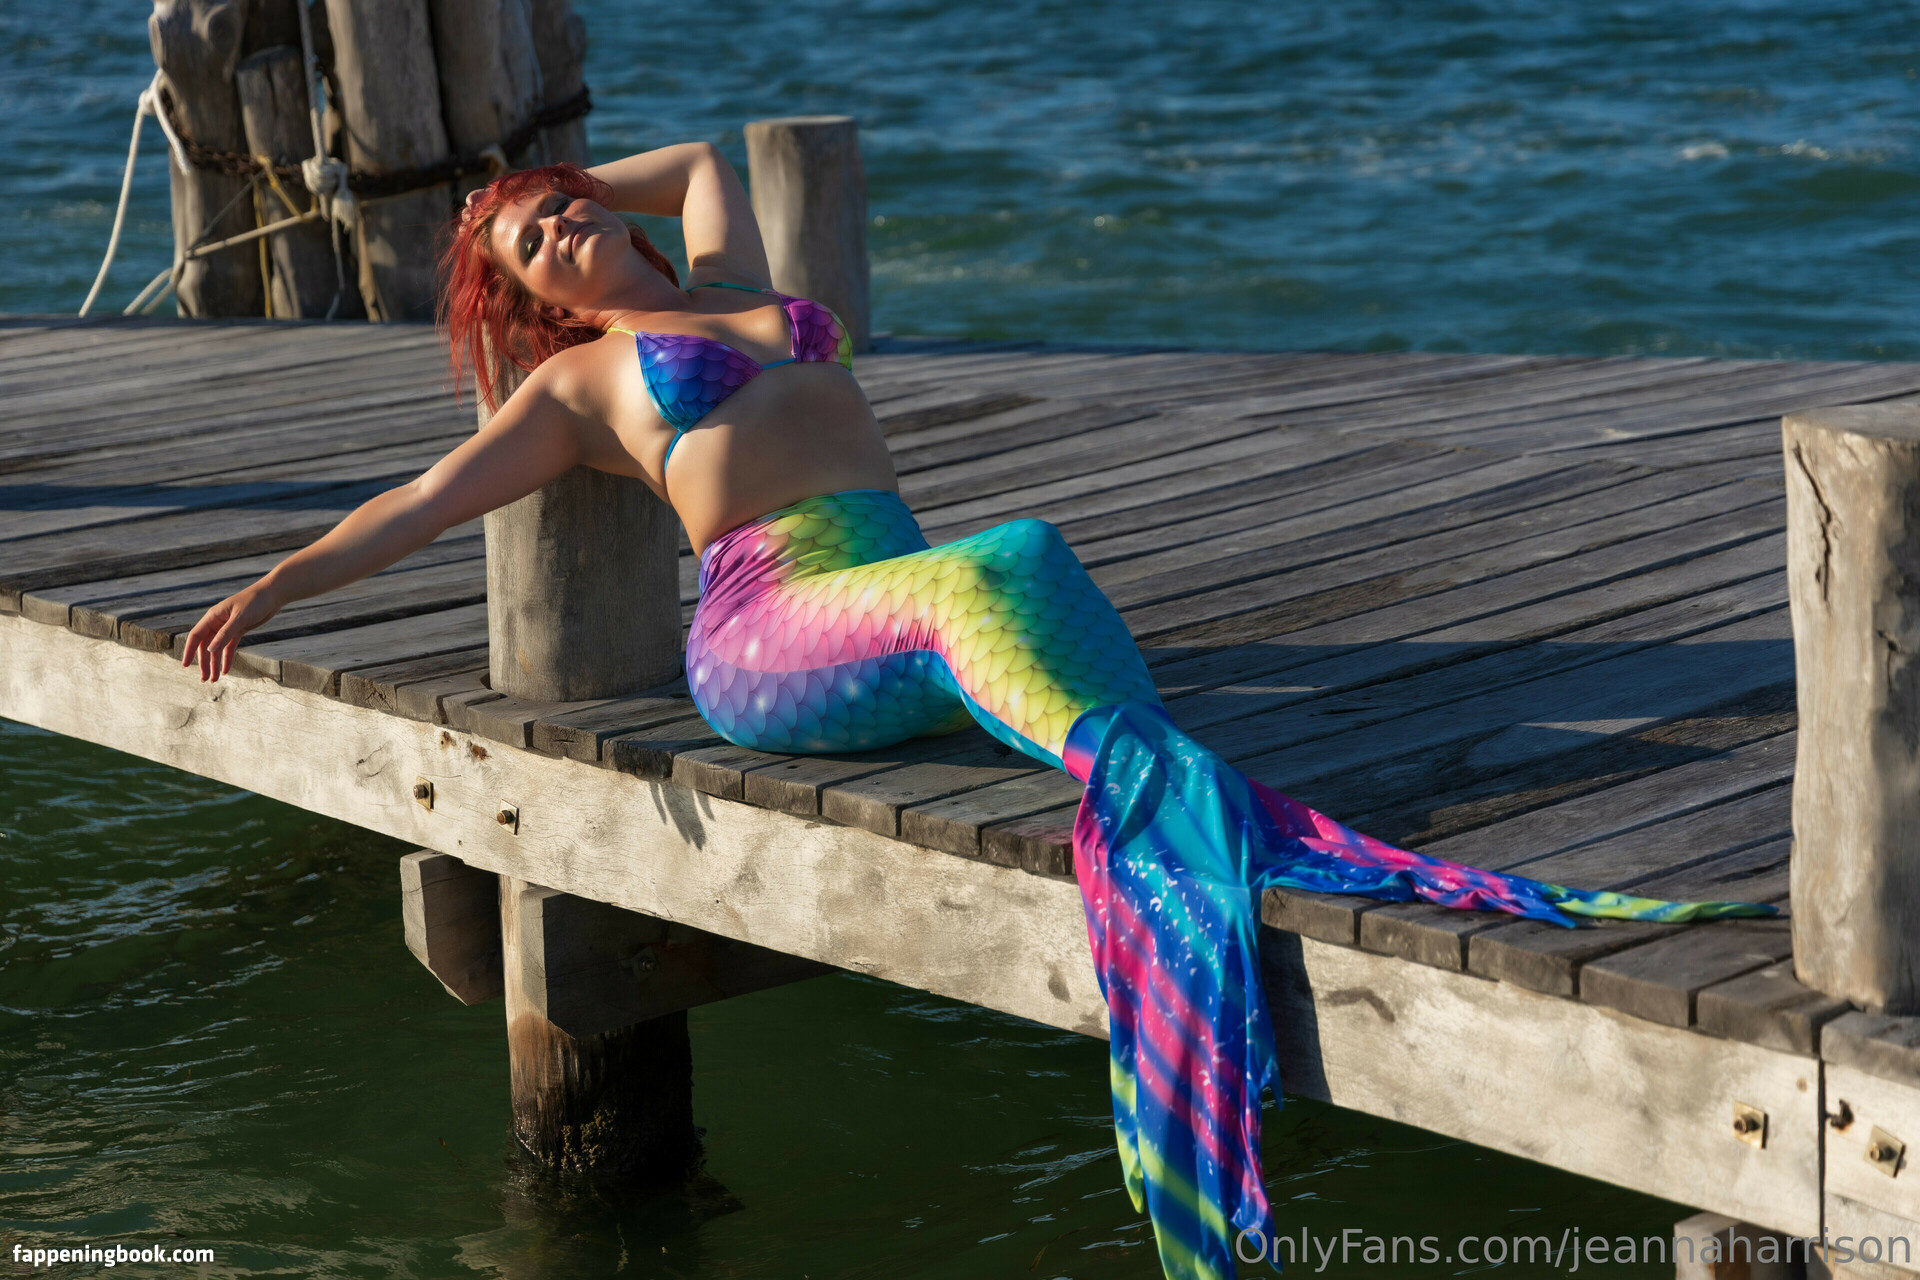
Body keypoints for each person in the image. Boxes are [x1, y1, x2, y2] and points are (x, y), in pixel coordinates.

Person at [180, 145, 1770, 1280]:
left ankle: (1150, 800)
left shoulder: (722, 280)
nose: (566, 233)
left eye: (565, 211)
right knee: (985, 576)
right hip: (769, 632)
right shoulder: (578, 386)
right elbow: (418, 504)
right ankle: (1150, 808)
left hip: (893, 590)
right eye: (535, 248)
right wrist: (275, 588)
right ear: (534, 305)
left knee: (1022, 553)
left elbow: (705, 158)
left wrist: (559, 180)